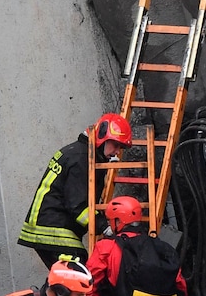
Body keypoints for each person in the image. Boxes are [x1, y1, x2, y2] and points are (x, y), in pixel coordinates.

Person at [18, 114, 132, 267]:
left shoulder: (79, 153)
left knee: (67, 279)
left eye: (121, 147)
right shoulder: (81, 159)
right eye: (115, 145)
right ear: (102, 136)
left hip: (46, 224)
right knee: (78, 276)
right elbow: (78, 204)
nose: (118, 152)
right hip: (52, 228)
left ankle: (52, 290)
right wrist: (104, 226)